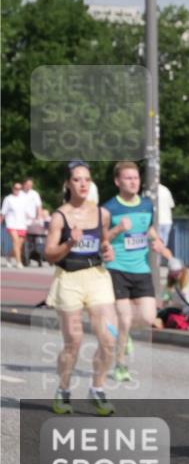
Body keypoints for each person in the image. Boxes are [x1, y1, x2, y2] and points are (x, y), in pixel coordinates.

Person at [44, 161, 117, 417]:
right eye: (77, 179)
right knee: (73, 341)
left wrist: (108, 249)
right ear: (68, 184)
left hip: (97, 277)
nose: (83, 184)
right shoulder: (59, 216)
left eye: (87, 179)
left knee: (109, 338)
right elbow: (49, 254)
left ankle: (97, 389)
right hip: (69, 280)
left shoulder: (101, 214)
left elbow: (105, 241)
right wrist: (69, 243)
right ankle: (63, 391)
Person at [104, 162, 172, 382]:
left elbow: (149, 229)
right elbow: (100, 240)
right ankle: (120, 365)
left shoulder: (146, 204)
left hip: (141, 269)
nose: (134, 181)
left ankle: (118, 330)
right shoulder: (109, 209)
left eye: (136, 178)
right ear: (118, 181)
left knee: (148, 316)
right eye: (128, 178)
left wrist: (157, 241)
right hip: (117, 269)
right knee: (124, 319)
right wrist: (117, 230)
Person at [2, 182, 30, 268]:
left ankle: (8, 258)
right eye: (16, 188)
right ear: (12, 188)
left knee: (18, 245)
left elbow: (28, 211)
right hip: (11, 224)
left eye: (19, 188)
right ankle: (19, 262)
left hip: (22, 225)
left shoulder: (24, 199)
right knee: (16, 242)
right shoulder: (8, 199)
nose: (17, 190)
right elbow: (3, 212)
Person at [157, 182, 175, 254]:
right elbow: (171, 205)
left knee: (155, 243)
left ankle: (156, 262)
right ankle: (159, 260)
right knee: (163, 244)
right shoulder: (166, 190)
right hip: (167, 220)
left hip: (156, 220)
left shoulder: (149, 190)